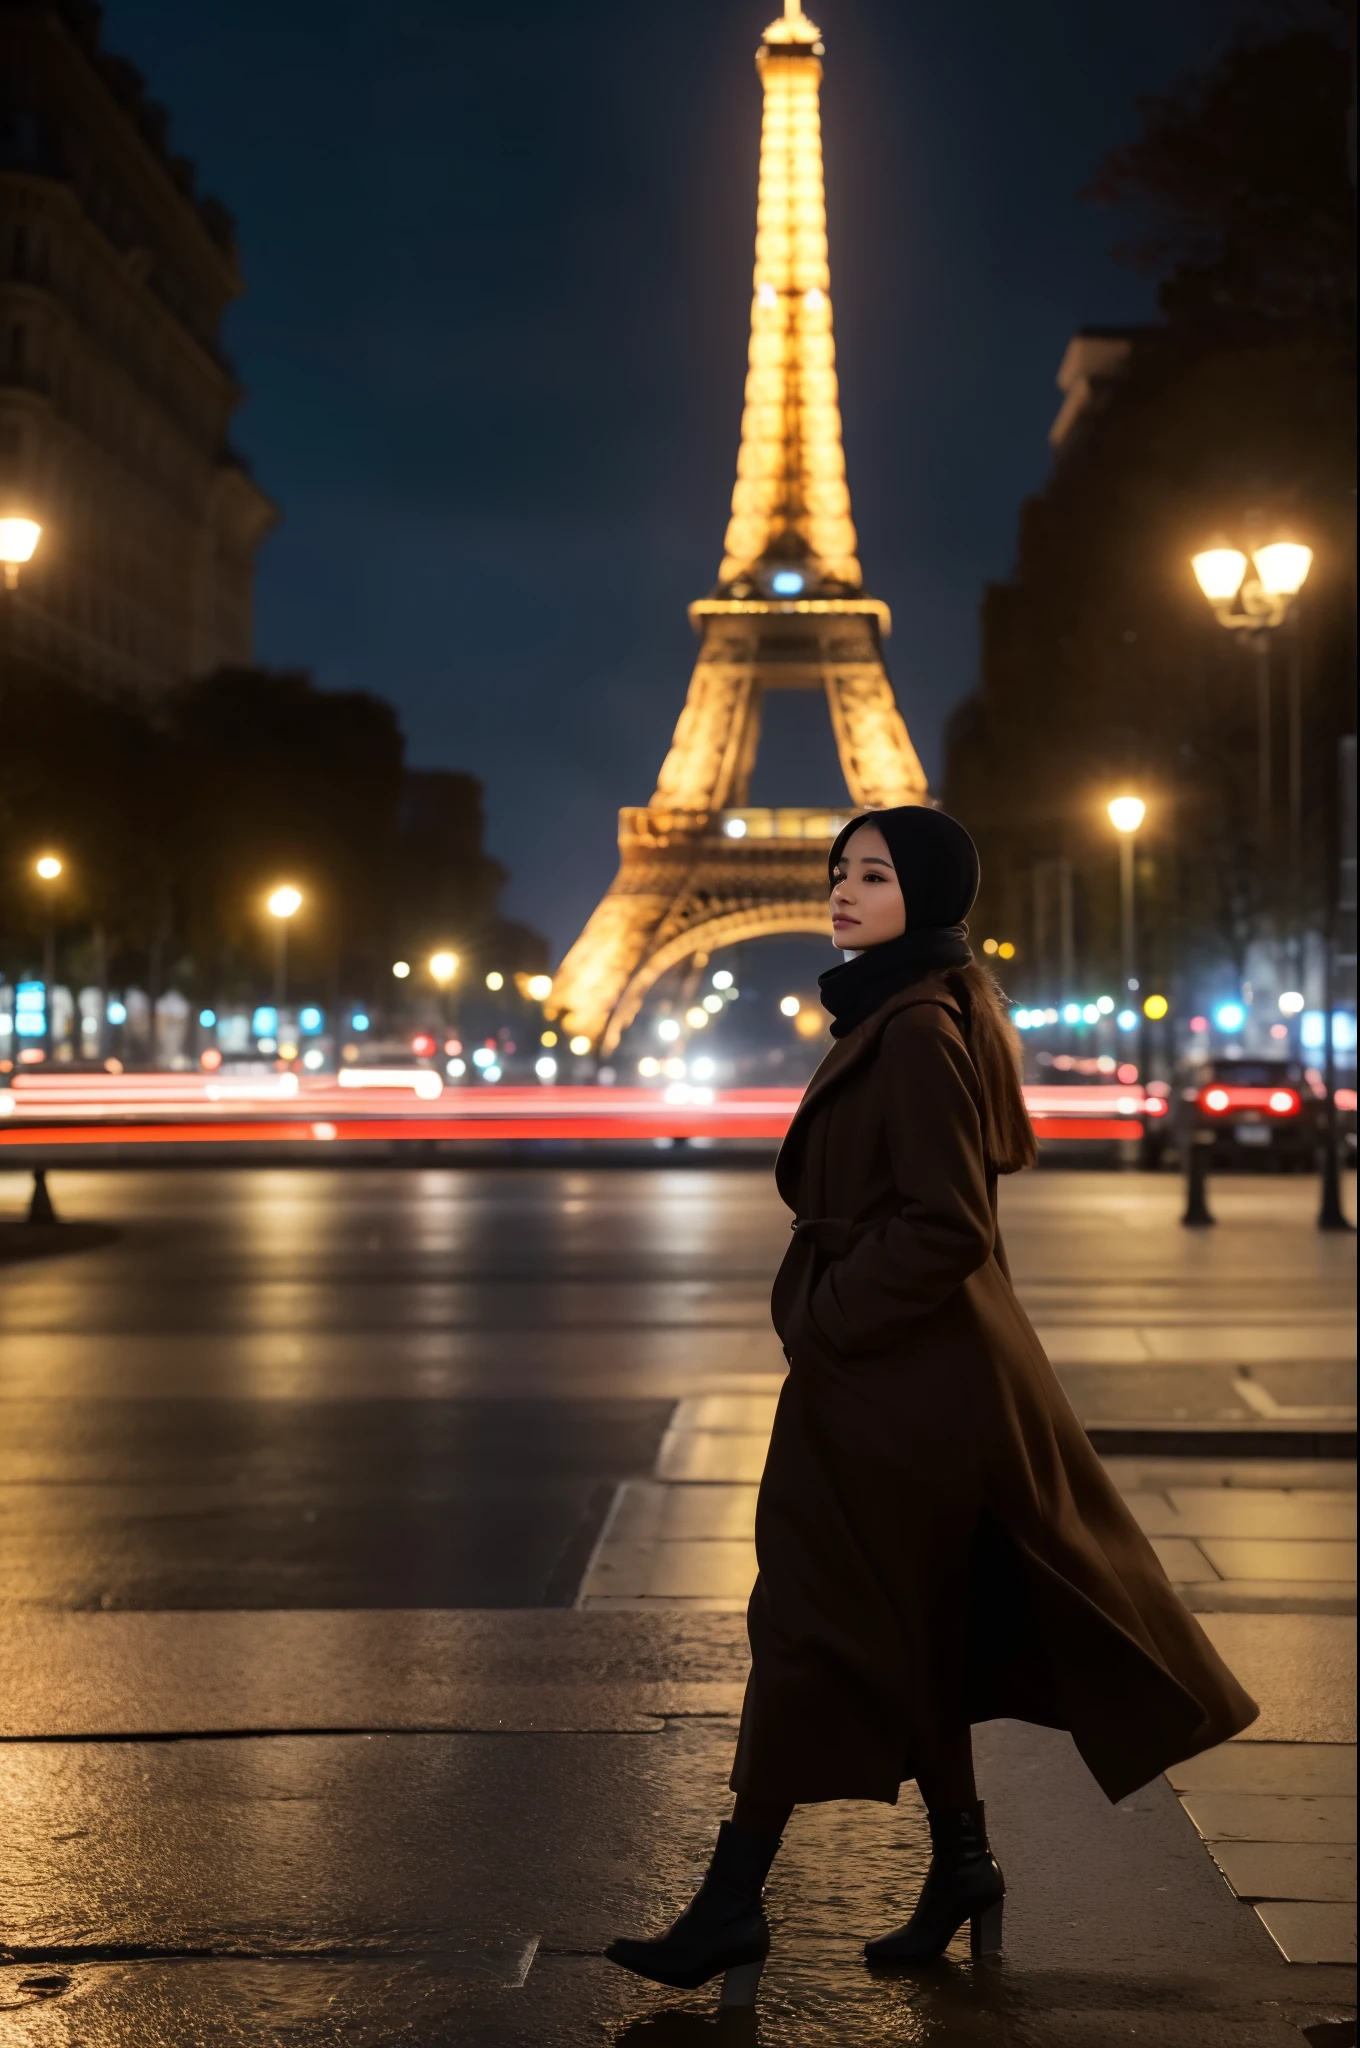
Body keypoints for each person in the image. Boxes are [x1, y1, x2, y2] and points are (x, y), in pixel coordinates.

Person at [605, 804, 1257, 2002]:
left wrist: (830, 1313)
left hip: (890, 1384)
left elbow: (948, 1221)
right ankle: (960, 1862)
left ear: (929, 895)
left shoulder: (908, 1027)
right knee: (906, 1623)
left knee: (807, 1621)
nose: (841, 892)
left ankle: (732, 1900)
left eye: (870, 873)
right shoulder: (919, 1005)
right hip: (918, 1379)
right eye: (837, 871)